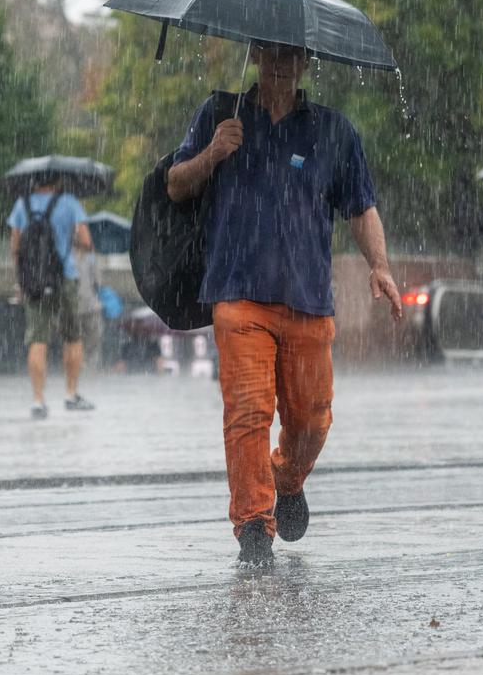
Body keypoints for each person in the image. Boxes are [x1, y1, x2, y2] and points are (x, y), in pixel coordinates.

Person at [166, 41, 403, 565]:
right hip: (237, 294)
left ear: (306, 63)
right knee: (248, 413)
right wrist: (212, 153)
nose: (279, 62)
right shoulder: (219, 113)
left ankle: (288, 477)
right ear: (254, 56)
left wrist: (380, 265)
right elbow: (175, 185)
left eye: (291, 55)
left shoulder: (333, 131)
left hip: (307, 299)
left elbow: (360, 206)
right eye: (270, 52)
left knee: (312, 419)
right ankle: (253, 525)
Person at [8, 176, 95, 419]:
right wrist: (69, 237)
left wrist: (22, 279)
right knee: (73, 336)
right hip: (64, 276)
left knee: (37, 338)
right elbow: (86, 241)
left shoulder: (21, 204)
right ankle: (71, 394)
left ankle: (38, 400)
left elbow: (15, 247)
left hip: (34, 282)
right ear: (58, 181)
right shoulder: (69, 202)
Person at [74, 243, 104, 369]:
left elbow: (98, 281)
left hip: (79, 304)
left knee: (77, 337)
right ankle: (85, 363)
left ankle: (82, 363)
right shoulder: (90, 258)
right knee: (92, 338)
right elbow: (98, 282)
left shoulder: (66, 256)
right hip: (87, 304)